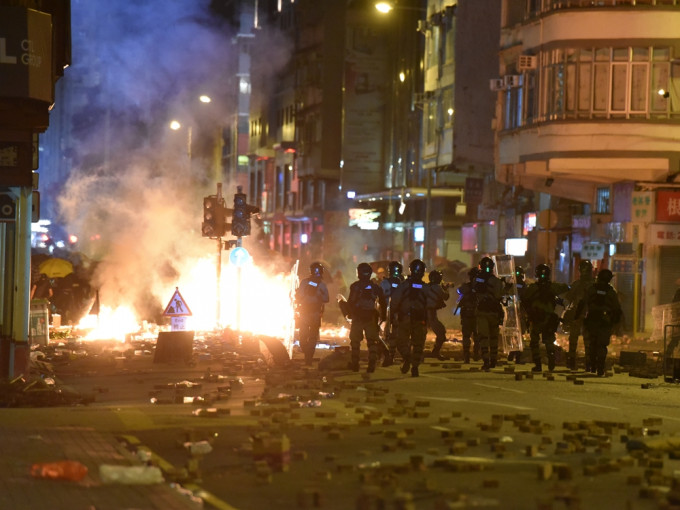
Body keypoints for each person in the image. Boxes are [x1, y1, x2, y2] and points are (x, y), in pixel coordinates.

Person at [522, 264, 569, 372]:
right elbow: (566, 288)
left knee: (534, 342)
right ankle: (551, 361)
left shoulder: (533, 288)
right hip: (548, 319)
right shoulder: (553, 287)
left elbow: (524, 300)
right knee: (549, 341)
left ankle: (538, 365)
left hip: (536, 319)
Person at [577, 269, 622, 376]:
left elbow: (583, 303)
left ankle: (593, 366)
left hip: (592, 319)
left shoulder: (591, 289)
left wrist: (577, 316)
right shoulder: (611, 292)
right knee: (602, 345)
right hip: (605, 321)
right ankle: (600, 368)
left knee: (592, 343)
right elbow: (617, 309)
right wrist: (615, 323)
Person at [390, 259, 428, 377]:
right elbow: (432, 304)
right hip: (419, 319)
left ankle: (408, 358)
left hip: (405, 318)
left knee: (401, 343)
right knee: (418, 344)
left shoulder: (404, 285)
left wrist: (392, 315)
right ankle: (414, 366)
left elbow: (394, 301)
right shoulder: (425, 287)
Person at [346, 262, 387, 373]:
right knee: (371, 342)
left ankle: (355, 364)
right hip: (370, 317)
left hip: (358, 317)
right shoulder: (375, 287)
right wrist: (383, 315)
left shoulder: (355, 286)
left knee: (355, 342)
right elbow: (383, 301)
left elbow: (350, 302)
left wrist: (349, 313)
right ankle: (371, 364)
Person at [472, 256, 505, 371]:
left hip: (482, 312)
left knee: (484, 337)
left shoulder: (477, 279)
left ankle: (486, 360)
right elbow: (498, 296)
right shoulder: (496, 281)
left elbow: (474, 291)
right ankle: (493, 360)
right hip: (494, 312)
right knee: (494, 337)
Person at [294, 262, 330, 365]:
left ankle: (307, 355)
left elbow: (298, 297)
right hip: (314, 313)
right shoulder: (322, 285)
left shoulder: (304, 282)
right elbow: (326, 299)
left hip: (304, 313)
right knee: (312, 337)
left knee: (303, 336)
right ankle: (309, 357)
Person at [563, 259, 594, 371]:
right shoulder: (593, 284)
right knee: (587, 341)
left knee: (575, 339)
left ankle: (573, 361)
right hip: (586, 316)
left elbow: (569, 299)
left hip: (583, 315)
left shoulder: (577, 284)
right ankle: (588, 363)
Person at [379, 261, 405, 366]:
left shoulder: (385, 282)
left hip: (391, 311)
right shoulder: (403, 282)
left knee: (388, 335)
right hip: (399, 311)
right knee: (396, 334)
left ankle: (389, 355)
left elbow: (381, 298)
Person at [454, 268, 479, 364]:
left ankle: (469, 355)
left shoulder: (472, 287)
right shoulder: (470, 287)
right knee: (472, 336)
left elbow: (459, 290)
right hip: (470, 315)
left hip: (472, 314)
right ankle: (469, 355)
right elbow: (459, 290)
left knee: (471, 337)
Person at [427, 269, 451, 360]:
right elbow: (446, 297)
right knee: (441, 333)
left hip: (423, 313)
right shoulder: (437, 287)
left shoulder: (426, 286)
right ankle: (435, 352)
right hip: (431, 313)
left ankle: (417, 354)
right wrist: (446, 289)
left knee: (419, 335)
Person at [507, 266, 528, 364]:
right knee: (518, 334)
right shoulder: (523, 285)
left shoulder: (512, 285)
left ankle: (514, 352)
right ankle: (516, 353)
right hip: (519, 313)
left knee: (513, 333)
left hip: (513, 313)